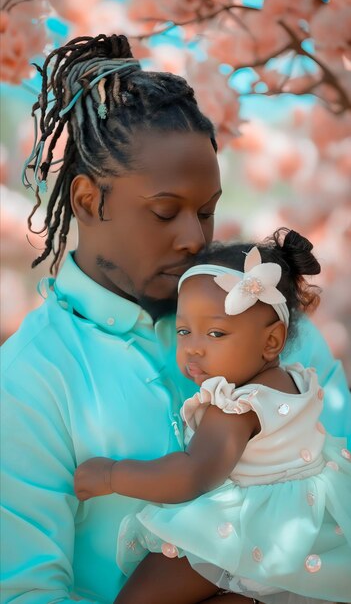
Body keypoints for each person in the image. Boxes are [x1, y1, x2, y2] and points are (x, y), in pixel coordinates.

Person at [0, 33, 350, 603]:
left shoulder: (274, 330)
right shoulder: (29, 381)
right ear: (89, 201)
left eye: (207, 212)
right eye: (166, 212)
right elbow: (25, 595)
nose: (196, 238)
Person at [74, 228, 351, 604]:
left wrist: (111, 475)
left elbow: (193, 474)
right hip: (306, 532)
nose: (193, 350)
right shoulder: (293, 380)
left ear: (272, 341)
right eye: (185, 331)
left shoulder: (237, 407)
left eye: (216, 333)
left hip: (246, 530)